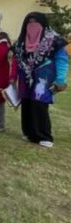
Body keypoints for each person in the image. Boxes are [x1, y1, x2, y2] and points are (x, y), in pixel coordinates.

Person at [11, 12, 68, 148]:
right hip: (25, 76)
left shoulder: (55, 40)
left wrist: (60, 79)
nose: (32, 26)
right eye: (29, 23)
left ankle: (44, 135)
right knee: (26, 102)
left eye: (36, 23)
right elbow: (15, 60)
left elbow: (62, 60)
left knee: (40, 102)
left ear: (43, 24)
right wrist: (12, 76)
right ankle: (29, 132)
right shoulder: (21, 41)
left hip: (44, 74)